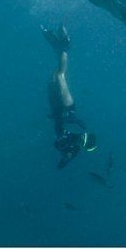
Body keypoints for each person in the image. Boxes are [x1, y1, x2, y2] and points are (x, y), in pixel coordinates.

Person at [42, 23, 97, 168]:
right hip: (66, 107)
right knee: (60, 76)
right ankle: (64, 45)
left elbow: (64, 154)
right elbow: (66, 154)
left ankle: (59, 45)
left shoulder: (73, 148)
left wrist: (64, 159)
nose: (81, 141)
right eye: (84, 140)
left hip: (57, 108)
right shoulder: (77, 138)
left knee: (54, 77)